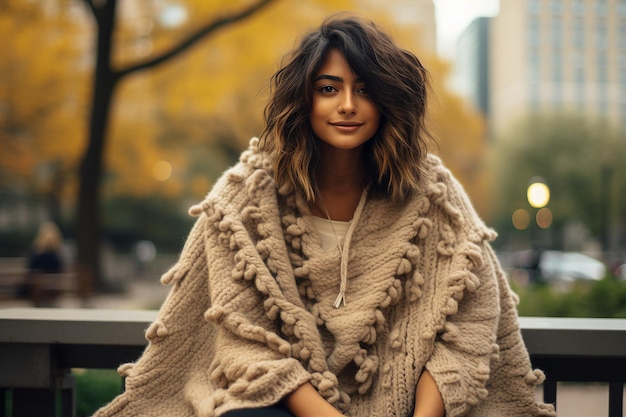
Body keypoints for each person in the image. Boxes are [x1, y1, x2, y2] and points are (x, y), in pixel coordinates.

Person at [94, 14, 556, 417]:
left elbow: (467, 329)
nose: (348, 105)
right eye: (329, 89)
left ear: (387, 101)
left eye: (364, 90)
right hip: (282, 403)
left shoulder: (434, 196)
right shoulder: (246, 199)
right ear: (304, 99)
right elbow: (246, 339)